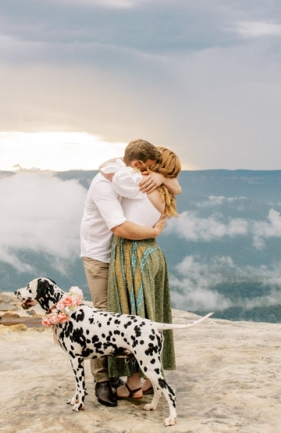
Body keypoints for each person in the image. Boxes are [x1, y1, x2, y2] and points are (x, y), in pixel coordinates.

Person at [79, 139, 180, 407]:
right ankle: (103, 380)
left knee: (129, 315)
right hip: (100, 255)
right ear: (137, 165)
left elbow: (127, 175)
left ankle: (125, 379)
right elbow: (120, 227)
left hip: (128, 255)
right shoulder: (105, 184)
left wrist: (159, 176)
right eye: (146, 167)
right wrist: (155, 232)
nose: (146, 173)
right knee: (104, 315)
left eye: (155, 169)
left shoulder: (132, 178)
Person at [105, 146, 182, 399]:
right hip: (154, 253)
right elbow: (177, 186)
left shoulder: (140, 185)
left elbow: (108, 168)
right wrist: (163, 177)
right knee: (153, 315)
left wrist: (145, 169)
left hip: (132, 253)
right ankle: (152, 379)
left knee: (131, 317)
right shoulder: (165, 192)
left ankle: (134, 384)